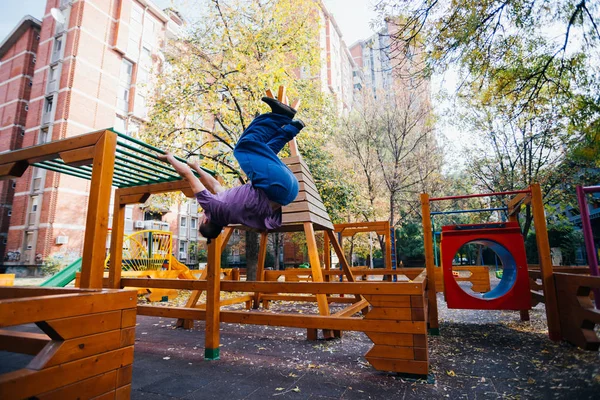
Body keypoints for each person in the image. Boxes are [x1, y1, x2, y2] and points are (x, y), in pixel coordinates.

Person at [158, 94, 305, 242]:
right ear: (205, 220)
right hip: (276, 185)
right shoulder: (214, 207)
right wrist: (170, 158)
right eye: (202, 217)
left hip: (289, 191)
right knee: (243, 148)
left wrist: (198, 168)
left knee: (264, 151)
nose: (202, 213)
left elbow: (215, 185)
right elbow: (187, 174)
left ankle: (293, 128)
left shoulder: (228, 210)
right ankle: (280, 116)